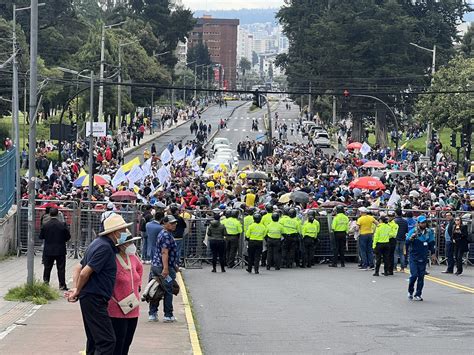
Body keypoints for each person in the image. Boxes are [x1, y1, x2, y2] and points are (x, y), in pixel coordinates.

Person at [68, 214, 133, 354]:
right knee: (107, 341)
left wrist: (76, 288)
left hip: (92, 297)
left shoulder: (97, 243)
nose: (124, 234)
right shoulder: (104, 248)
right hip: (94, 298)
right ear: (115, 232)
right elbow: (84, 272)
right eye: (122, 230)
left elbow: (78, 268)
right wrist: (77, 290)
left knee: (94, 339)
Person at [108, 232, 143, 355]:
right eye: (129, 243)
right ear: (121, 245)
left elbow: (140, 269)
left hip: (132, 306)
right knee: (118, 342)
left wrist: (138, 285)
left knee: (127, 341)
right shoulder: (112, 259)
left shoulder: (133, 258)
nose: (131, 245)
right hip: (116, 308)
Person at [149, 215, 179, 322]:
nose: (174, 225)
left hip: (157, 265)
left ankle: (152, 313)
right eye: (171, 223)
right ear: (165, 224)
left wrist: (174, 265)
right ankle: (168, 315)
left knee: (156, 287)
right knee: (168, 289)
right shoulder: (166, 235)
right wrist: (166, 268)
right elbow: (164, 252)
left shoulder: (164, 233)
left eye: (175, 223)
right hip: (162, 267)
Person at [39, 207, 71, 290]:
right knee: (61, 268)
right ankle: (62, 285)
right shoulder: (62, 225)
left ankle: (46, 283)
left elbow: (41, 236)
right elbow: (68, 236)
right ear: (57, 214)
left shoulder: (45, 225)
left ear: (49, 214)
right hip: (60, 249)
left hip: (48, 249)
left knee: (47, 268)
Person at [406, 215, 436, 301]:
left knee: (421, 277)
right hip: (414, 257)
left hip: (423, 256)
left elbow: (431, 243)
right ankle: (410, 291)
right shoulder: (413, 231)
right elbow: (407, 242)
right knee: (414, 275)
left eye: (425, 222)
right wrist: (411, 238)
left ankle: (418, 294)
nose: (424, 224)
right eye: (422, 222)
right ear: (418, 223)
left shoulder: (429, 232)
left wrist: (433, 254)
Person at [387, 210, 399, 275]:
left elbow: (394, 234)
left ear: (393, 217)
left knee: (390, 255)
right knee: (387, 256)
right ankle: (387, 270)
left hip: (391, 240)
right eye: (389, 216)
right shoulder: (387, 223)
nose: (389, 217)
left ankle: (390, 270)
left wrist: (387, 234)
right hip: (387, 240)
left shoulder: (395, 225)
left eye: (391, 216)